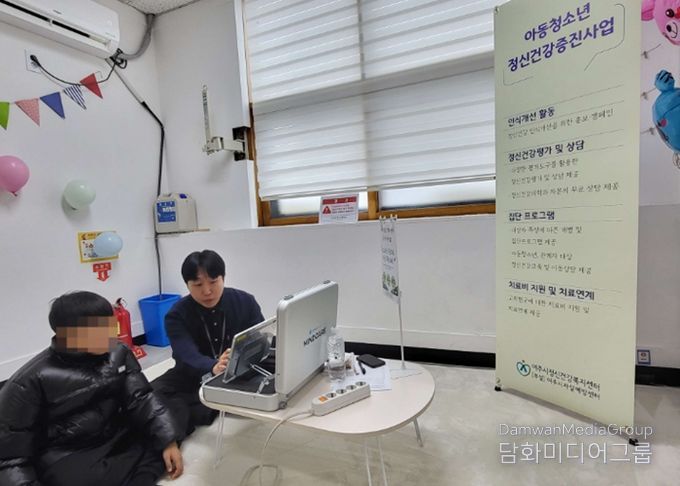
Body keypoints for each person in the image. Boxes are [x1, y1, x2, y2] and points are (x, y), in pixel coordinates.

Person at [0, 291, 184, 486]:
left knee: (175, 413)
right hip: (71, 452)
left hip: (115, 433)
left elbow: (140, 398)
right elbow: (10, 456)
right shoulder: (28, 381)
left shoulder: (118, 352)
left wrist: (168, 441)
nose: (111, 335)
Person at [152, 249, 264, 436]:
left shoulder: (245, 301)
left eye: (213, 282)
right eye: (197, 285)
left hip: (239, 371)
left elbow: (259, 338)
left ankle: (202, 406)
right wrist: (213, 366)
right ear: (187, 285)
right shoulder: (176, 314)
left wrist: (238, 358)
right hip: (193, 375)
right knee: (150, 393)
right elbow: (185, 353)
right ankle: (207, 407)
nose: (207, 291)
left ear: (223, 278)